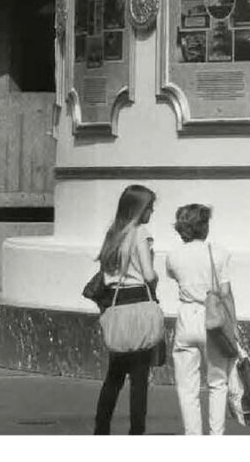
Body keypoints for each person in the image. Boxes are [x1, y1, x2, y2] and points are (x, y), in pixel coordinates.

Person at [163, 203, 241, 435]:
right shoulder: (219, 253)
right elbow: (226, 294)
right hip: (213, 320)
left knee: (187, 388)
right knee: (218, 383)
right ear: (203, 226)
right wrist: (234, 327)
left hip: (186, 317)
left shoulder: (173, 256)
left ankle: (193, 438)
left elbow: (174, 277)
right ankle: (215, 437)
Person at [92, 184, 162, 436]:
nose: (151, 212)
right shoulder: (140, 233)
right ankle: (136, 433)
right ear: (138, 209)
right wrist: (155, 278)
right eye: (149, 207)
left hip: (115, 305)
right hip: (137, 304)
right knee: (139, 378)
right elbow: (148, 274)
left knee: (114, 375)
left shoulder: (113, 233)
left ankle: (101, 430)